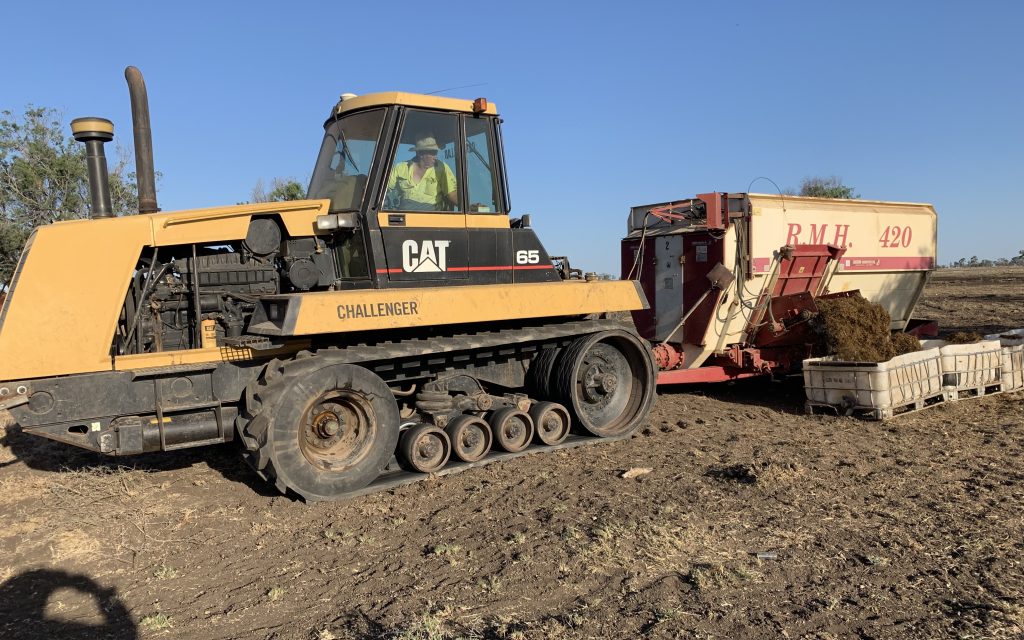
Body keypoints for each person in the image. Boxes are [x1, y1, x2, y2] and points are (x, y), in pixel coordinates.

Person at [385, 136, 459, 211]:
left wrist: (468, 208)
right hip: (405, 217)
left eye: (436, 153)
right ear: (420, 153)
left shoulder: (442, 168)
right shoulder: (400, 168)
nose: (435, 157)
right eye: (432, 153)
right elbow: (385, 189)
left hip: (432, 217)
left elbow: (452, 193)